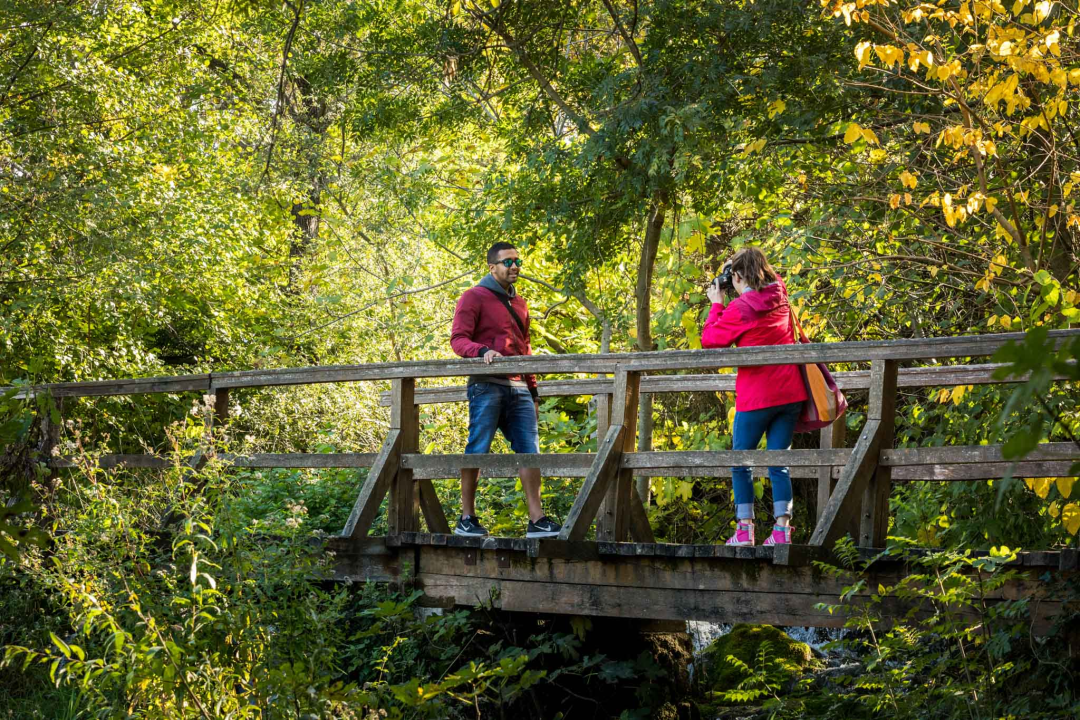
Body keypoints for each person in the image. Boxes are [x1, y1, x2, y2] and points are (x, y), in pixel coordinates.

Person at [449, 242, 562, 539]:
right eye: (507, 262)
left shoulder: (521, 304)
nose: (515, 266)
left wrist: (533, 391)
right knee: (478, 448)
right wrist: (482, 350)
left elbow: (525, 349)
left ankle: (537, 520)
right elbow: (458, 339)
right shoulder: (473, 297)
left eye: (517, 261)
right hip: (487, 386)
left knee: (530, 450)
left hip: (519, 386)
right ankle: (467, 518)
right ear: (492, 267)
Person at [701, 247, 807, 546]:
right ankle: (781, 532)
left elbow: (711, 340)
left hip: (757, 397)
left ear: (736, 276)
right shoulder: (781, 295)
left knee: (741, 460)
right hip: (790, 393)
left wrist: (716, 303)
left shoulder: (740, 308)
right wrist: (737, 268)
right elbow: (773, 282)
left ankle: (745, 530)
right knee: (779, 461)